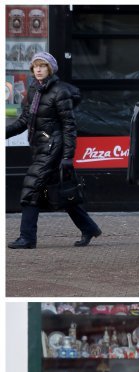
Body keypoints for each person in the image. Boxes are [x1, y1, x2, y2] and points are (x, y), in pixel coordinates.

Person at [6, 51, 102, 249]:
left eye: (43, 66)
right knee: (62, 193)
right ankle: (89, 227)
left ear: (50, 69)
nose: (39, 69)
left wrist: (68, 156)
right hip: (41, 146)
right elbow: (26, 119)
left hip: (53, 148)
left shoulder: (59, 92)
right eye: (36, 66)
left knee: (31, 190)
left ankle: (27, 238)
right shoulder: (34, 89)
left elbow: (69, 126)